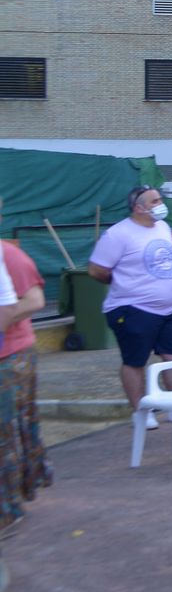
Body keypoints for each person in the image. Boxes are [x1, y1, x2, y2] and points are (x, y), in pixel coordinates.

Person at [88, 184, 172, 417]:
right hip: (134, 309)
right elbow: (96, 270)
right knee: (135, 360)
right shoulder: (118, 234)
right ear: (138, 208)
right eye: (154, 202)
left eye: (160, 200)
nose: (161, 205)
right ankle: (141, 411)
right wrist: (122, 282)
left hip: (170, 309)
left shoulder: (162, 226)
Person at [1, 197, 49, 533]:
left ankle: (11, 505)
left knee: (9, 432)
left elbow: (35, 300)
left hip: (12, 356)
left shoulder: (10, 255)